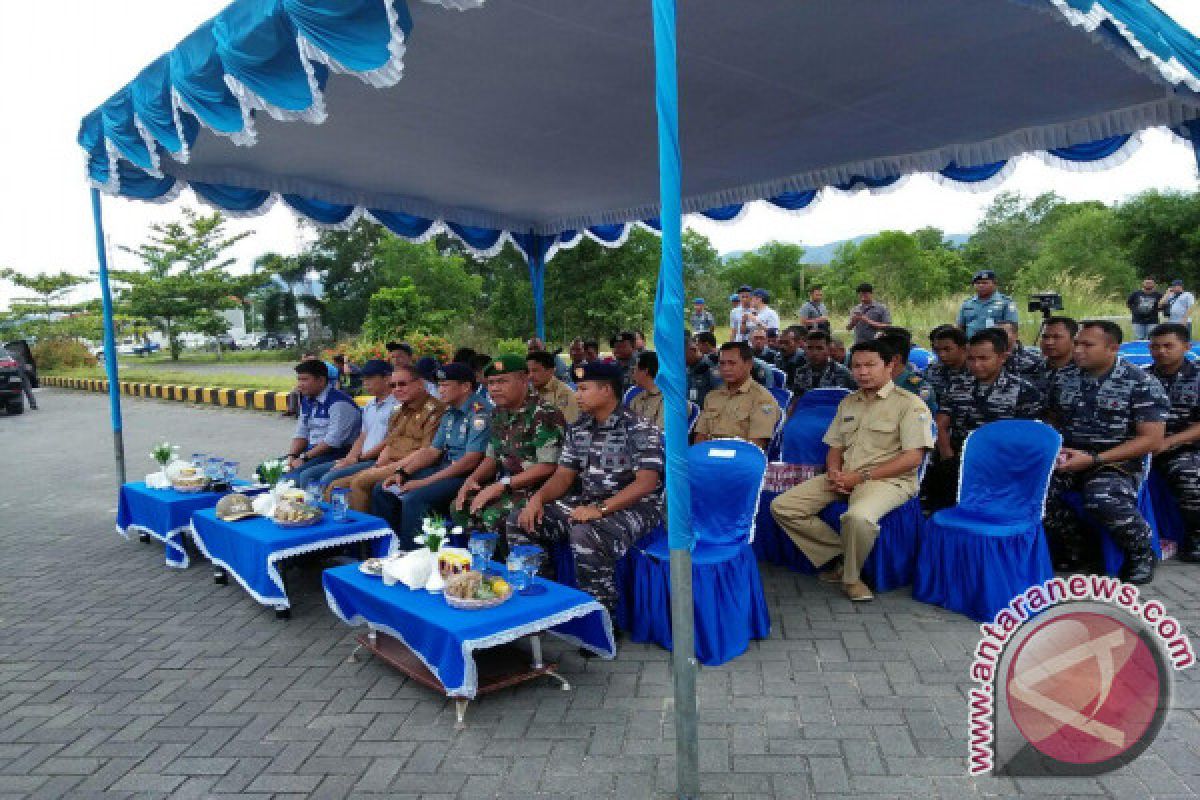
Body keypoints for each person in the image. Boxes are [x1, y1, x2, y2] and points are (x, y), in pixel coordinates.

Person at [770, 339, 934, 602]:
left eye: (870, 365)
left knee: (858, 518)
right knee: (783, 507)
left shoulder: (909, 404)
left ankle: (850, 577)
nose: (863, 372)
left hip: (887, 481)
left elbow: (913, 457)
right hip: (844, 476)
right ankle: (839, 554)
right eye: (856, 366)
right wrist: (835, 472)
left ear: (889, 366)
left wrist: (861, 477)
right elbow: (835, 445)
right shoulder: (849, 402)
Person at [508, 362, 664, 619]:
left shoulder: (639, 428)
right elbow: (563, 475)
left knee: (585, 533)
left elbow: (646, 483)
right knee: (520, 520)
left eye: (583, 389)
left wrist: (600, 510)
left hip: (636, 506)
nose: (576, 394)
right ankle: (544, 600)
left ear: (606, 390)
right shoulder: (579, 427)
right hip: (588, 501)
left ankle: (601, 617)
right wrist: (537, 499)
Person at [1043, 320, 1168, 583]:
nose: (1078, 350)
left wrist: (1095, 459)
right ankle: (1079, 546)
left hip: (1117, 460)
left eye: (1087, 345)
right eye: (1077, 343)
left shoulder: (1141, 382)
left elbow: (1151, 440)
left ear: (1113, 348)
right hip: (1070, 455)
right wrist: (1057, 449)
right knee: (1036, 493)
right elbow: (1053, 418)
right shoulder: (1064, 378)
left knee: (1101, 496)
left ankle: (1140, 551)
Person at [370, 363, 491, 547]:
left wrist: (424, 482)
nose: (439, 390)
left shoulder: (479, 412)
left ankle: (413, 557)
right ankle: (388, 548)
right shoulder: (450, 411)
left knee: (415, 498)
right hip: (445, 468)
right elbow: (433, 451)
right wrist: (403, 472)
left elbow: (470, 460)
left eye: (445, 385)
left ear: (465, 386)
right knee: (383, 489)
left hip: (467, 475)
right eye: (439, 385)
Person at [925, 329, 1043, 510]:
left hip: (1001, 462)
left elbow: (1028, 438)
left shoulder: (1023, 391)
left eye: (983, 359)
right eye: (971, 359)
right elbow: (941, 423)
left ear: (1002, 357)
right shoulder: (958, 385)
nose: (976, 364)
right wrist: (947, 456)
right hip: (958, 457)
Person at [452, 355, 567, 534]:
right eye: (491, 383)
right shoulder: (499, 413)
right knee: (460, 506)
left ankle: (512, 560)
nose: (495, 389)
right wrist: (471, 480)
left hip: (540, 489)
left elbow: (548, 466)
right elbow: (491, 458)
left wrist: (501, 485)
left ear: (523, 380)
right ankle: (480, 556)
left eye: (502, 382)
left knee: (492, 515)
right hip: (510, 485)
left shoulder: (544, 413)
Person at [331, 365, 446, 512]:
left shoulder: (435, 411)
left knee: (360, 482)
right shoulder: (398, 410)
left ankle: (367, 531)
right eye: (393, 385)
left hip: (412, 467)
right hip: (387, 464)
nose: (397, 389)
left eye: (402, 384)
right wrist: (377, 466)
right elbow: (390, 444)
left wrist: (388, 469)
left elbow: (425, 452)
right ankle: (339, 532)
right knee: (335, 486)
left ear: (420, 384)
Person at [1147, 323, 1200, 561]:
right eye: (1155, 346)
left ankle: (1196, 536)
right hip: (1144, 445)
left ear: (1186, 347)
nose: (1161, 352)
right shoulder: (1143, 378)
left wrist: (1168, 443)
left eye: (1168, 346)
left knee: (1188, 476)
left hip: (1185, 445)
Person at [316, 360, 397, 496]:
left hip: (378, 460)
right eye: (364, 379)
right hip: (361, 458)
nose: (365, 383)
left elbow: (391, 440)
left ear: (387, 379)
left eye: (370, 378)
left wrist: (359, 459)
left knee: (328, 479)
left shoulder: (397, 406)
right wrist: (350, 458)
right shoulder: (370, 405)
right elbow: (363, 435)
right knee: (310, 474)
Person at [281, 359, 363, 487]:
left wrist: (304, 458)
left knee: (295, 478)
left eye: (304, 380)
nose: (299, 385)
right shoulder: (307, 400)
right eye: (299, 379)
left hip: (335, 453)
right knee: (267, 469)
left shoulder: (339, 403)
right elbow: (301, 433)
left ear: (320, 380)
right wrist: (292, 456)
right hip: (312, 452)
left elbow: (332, 441)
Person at [693, 342, 781, 450]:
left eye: (732, 363)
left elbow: (756, 446)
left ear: (749, 364)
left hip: (739, 459)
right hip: (709, 458)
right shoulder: (712, 396)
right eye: (722, 363)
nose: (726, 368)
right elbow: (700, 437)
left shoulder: (762, 399)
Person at [788, 330, 855, 412]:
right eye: (810, 348)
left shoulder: (842, 373)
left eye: (819, 348)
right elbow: (796, 399)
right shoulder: (801, 372)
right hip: (807, 414)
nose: (814, 353)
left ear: (828, 350)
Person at [877, 330, 937, 413]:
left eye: (877, 356)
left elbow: (924, 421)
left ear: (896, 359)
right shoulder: (872, 383)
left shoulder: (917, 388)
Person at [956, 269, 1019, 337]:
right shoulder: (967, 304)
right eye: (977, 283)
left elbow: (1012, 329)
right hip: (970, 345)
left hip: (996, 345)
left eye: (985, 283)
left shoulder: (1006, 303)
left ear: (994, 284)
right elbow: (960, 327)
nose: (981, 285)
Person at [1032, 316, 1079, 397]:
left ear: (1073, 340)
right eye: (1045, 337)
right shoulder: (1030, 371)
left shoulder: (1085, 373)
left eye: (1056, 337)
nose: (1049, 342)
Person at [527, 350, 580, 423]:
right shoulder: (528, 390)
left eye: (535, 371)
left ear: (551, 371)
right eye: (528, 371)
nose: (530, 376)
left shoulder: (564, 394)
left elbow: (567, 426)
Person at [925, 325, 971, 408]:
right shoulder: (933, 370)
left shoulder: (977, 371)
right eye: (937, 350)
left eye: (947, 349)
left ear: (964, 348)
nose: (941, 355)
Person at [628, 351, 664, 429]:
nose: (633, 374)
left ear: (645, 371)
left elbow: (661, 433)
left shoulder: (667, 400)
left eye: (635, 370)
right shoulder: (636, 398)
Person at [685, 335, 722, 408]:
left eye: (681, 355)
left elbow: (721, 394)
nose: (678, 359)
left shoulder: (710, 367)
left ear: (693, 350)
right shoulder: (684, 369)